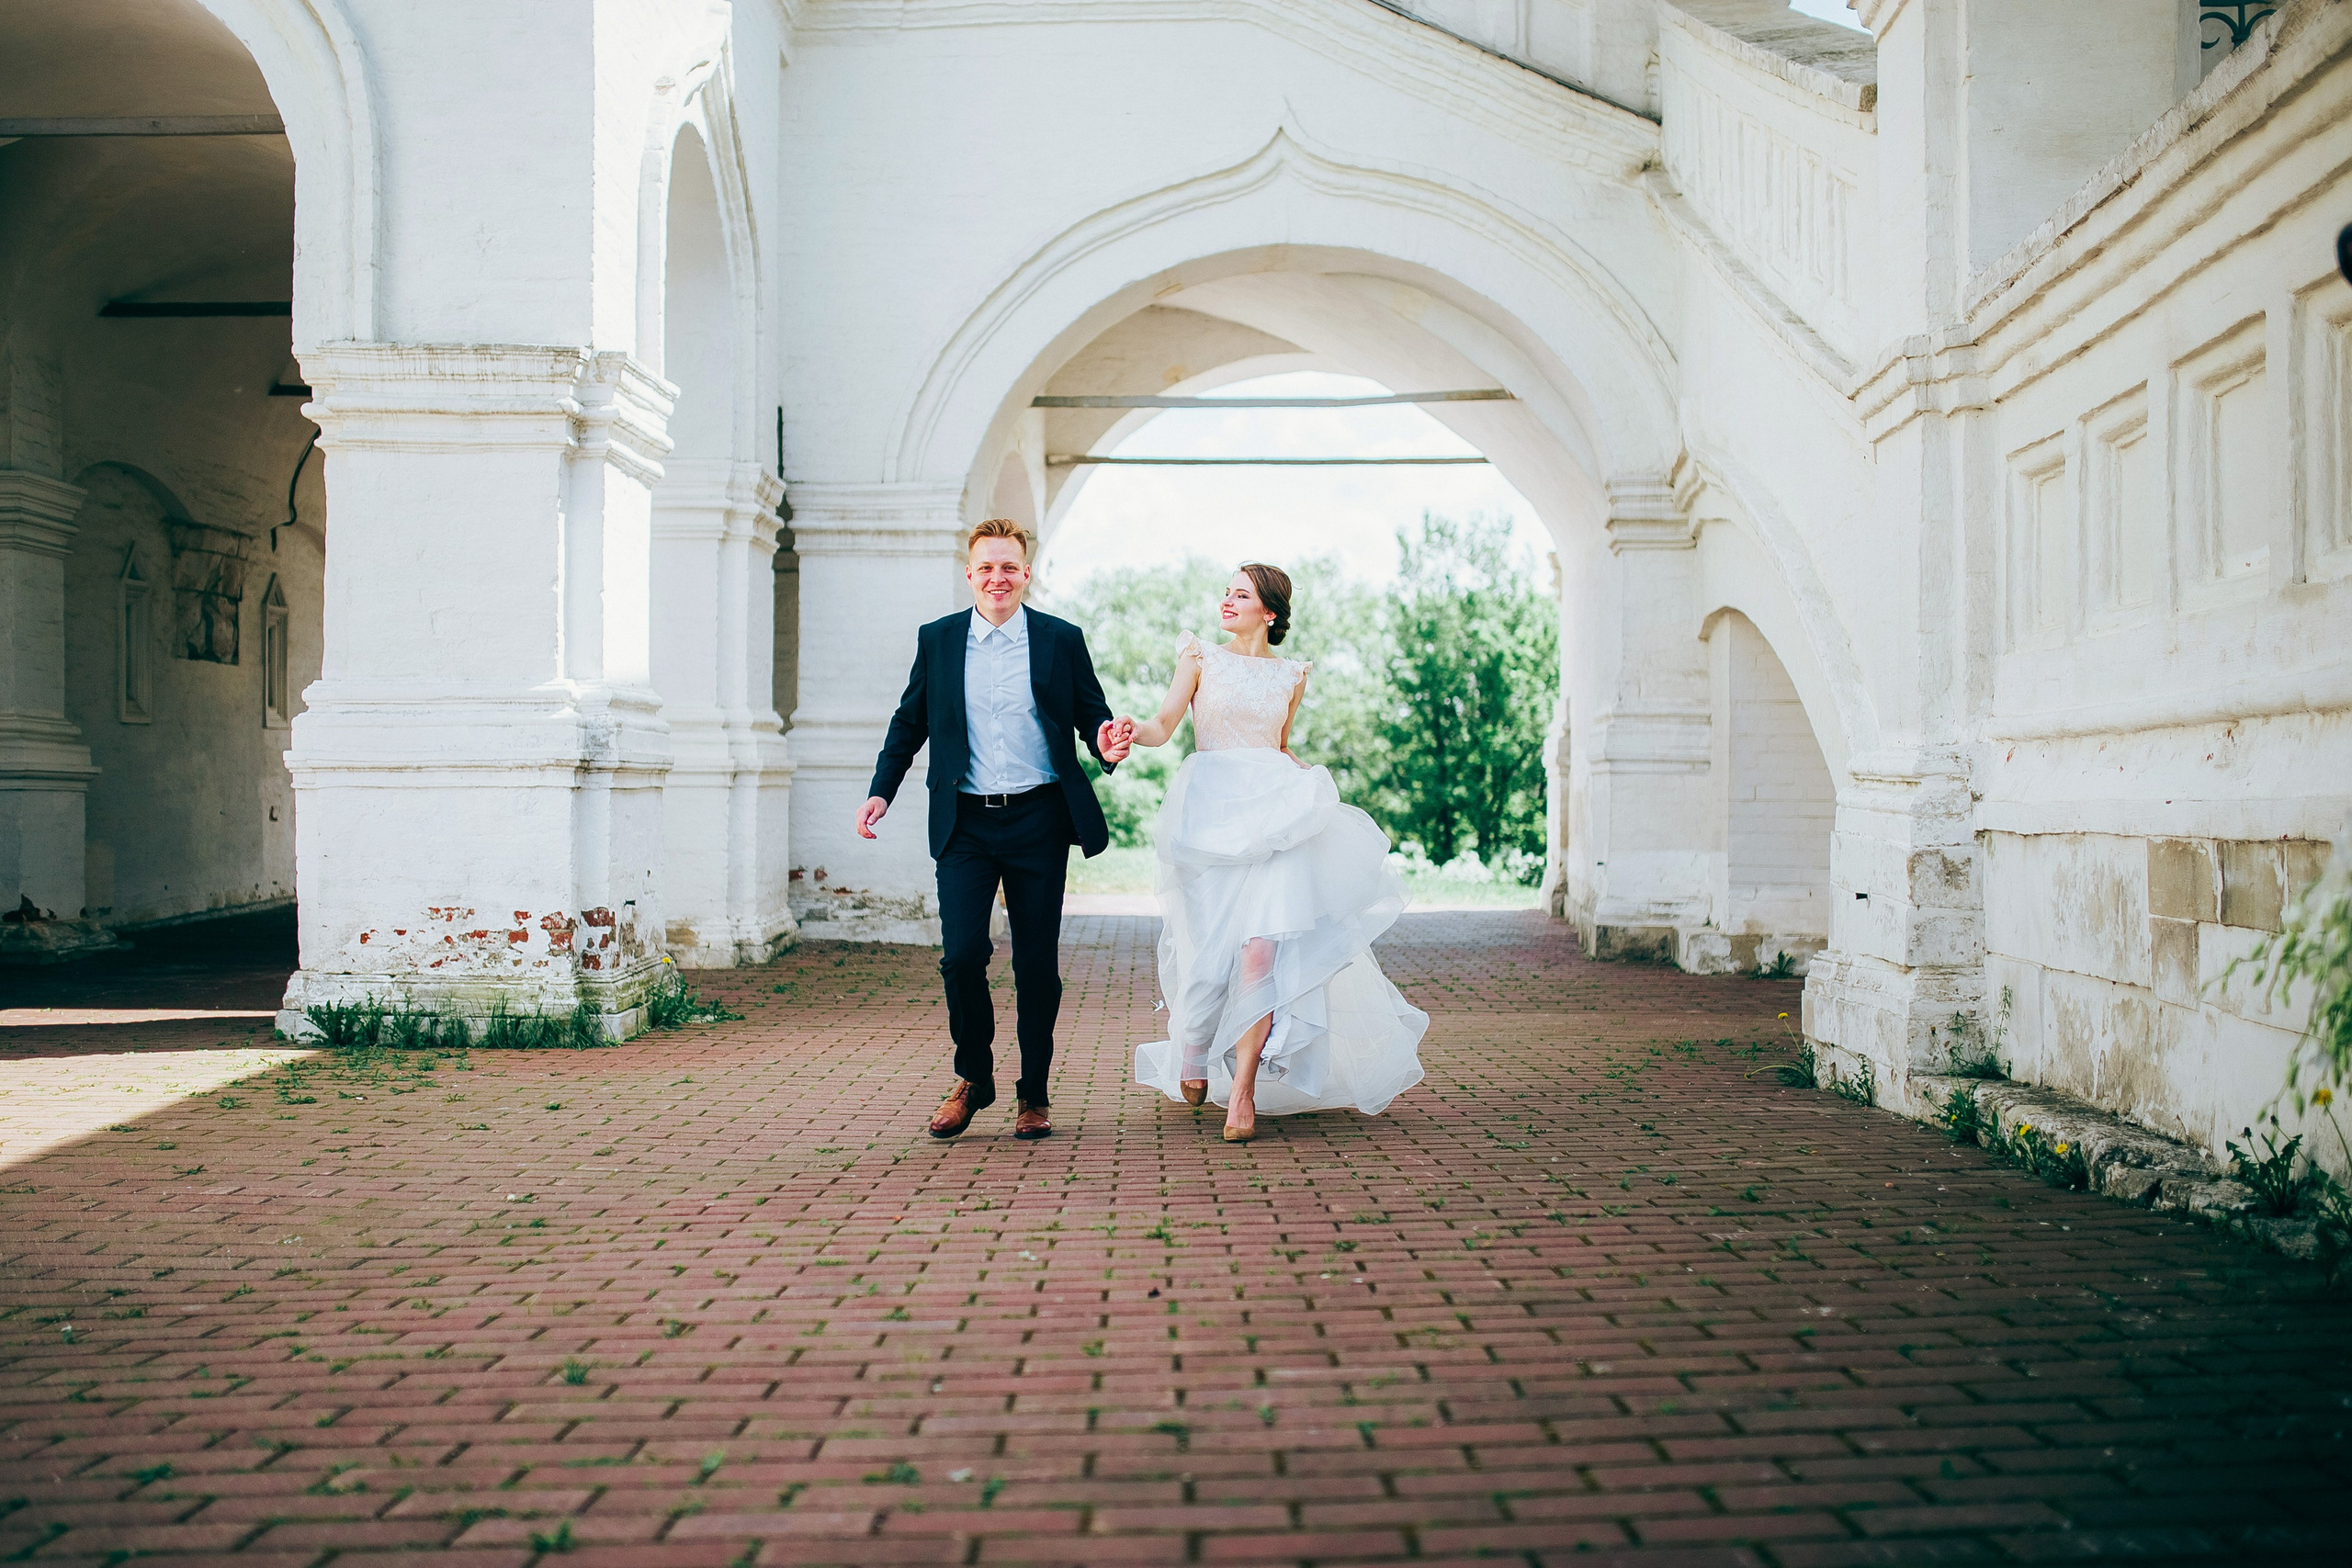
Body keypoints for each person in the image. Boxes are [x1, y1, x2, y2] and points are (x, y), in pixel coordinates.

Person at [1122, 564, 1428, 1141]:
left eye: (1241, 594)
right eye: (1225, 592)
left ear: (1270, 611)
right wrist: (1133, 730)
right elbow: (1165, 724)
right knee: (1210, 949)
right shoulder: (1199, 656)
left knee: (1261, 951)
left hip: (1277, 811)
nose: (1226, 601)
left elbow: (1281, 745)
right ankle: (1191, 1049)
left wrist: (1308, 784)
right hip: (1213, 810)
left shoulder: (1292, 674)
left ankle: (1243, 1089)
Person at [857, 518, 1132, 1141]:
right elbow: (908, 725)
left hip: (1038, 816)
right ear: (970, 574)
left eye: (1009, 567)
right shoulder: (940, 639)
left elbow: (1095, 717)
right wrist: (881, 790)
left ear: (1026, 573)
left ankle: (1033, 1093)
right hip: (965, 822)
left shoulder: (1061, 640)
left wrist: (1108, 742)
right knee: (961, 957)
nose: (997, 577)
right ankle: (973, 1076)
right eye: (986, 567)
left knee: (1037, 965)